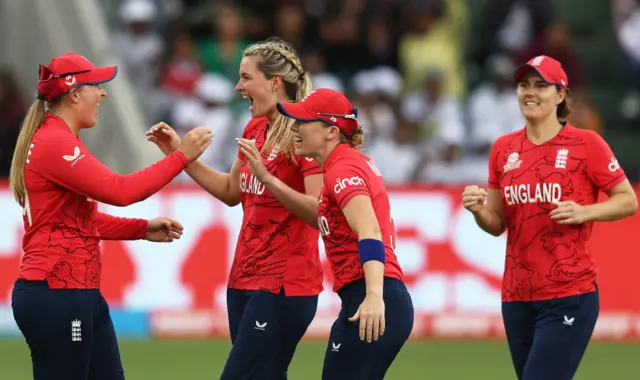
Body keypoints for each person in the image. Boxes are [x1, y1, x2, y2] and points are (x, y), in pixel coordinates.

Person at [9, 52, 213, 380]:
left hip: (74, 293)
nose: (103, 93)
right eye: (96, 86)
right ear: (75, 94)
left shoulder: (58, 138)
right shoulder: (56, 142)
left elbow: (76, 222)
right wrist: (181, 157)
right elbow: (120, 191)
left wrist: (141, 228)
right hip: (58, 294)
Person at [147, 37, 323, 380]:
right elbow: (232, 191)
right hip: (243, 279)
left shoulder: (305, 134)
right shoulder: (255, 127)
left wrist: (269, 181)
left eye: (246, 78)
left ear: (274, 82)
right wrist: (179, 155)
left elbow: (319, 212)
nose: (238, 86)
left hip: (284, 285)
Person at [462, 55, 638, 380]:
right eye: (523, 85)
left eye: (540, 85)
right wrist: (478, 211)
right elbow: (497, 223)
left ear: (560, 95)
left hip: (569, 293)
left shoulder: (586, 144)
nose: (529, 92)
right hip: (516, 296)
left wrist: (585, 211)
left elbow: (628, 201)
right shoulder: (503, 149)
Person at [275, 88, 415, 380]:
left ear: (330, 131)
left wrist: (375, 295)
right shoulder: (347, 164)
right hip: (366, 297)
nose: (294, 128)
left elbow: (369, 230)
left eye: (303, 122)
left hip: (373, 296)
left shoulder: (342, 169)